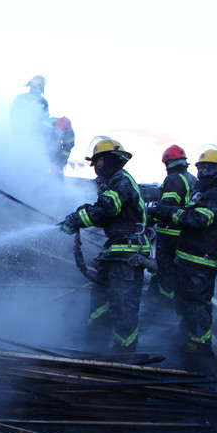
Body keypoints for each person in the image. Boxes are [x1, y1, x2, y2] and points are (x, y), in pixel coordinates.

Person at [58, 136, 150, 348]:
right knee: (101, 299)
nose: (98, 165)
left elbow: (106, 209)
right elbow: (104, 214)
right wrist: (78, 216)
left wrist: (77, 219)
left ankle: (125, 353)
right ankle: (95, 345)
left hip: (128, 251)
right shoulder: (112, 182)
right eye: (96, 161)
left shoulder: (121, 180)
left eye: (102, 159)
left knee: (123, 305)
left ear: (114, 159)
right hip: (115, 249)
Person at [150, 145, 217, 351]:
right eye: (200, 167)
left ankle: (199, 342)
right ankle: (185, 332)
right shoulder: (200, 191)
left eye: (207, 168)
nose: (202, 172)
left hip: (203, 257)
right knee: (183, 296)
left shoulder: (216, 195)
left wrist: (166, 212)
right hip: (187, 254)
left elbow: (198, 219)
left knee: (197, 300)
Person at [146, 145, 196, 305]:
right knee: (175, 271)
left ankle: (162, 303)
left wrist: (149, 218)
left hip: (170, 235)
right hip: (184, 234)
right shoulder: (192, 179)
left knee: (164, 270)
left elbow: (166, 208)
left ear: (168, 163)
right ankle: (158, 296)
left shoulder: (174, 179)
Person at [9, 75, 50, 140]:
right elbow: (13, 116)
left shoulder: (43, 102)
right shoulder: (21, 98)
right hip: (20, 134)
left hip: (37, 137)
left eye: (39, 85)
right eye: (35, 85)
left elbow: (45, 119)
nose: (36, 88)